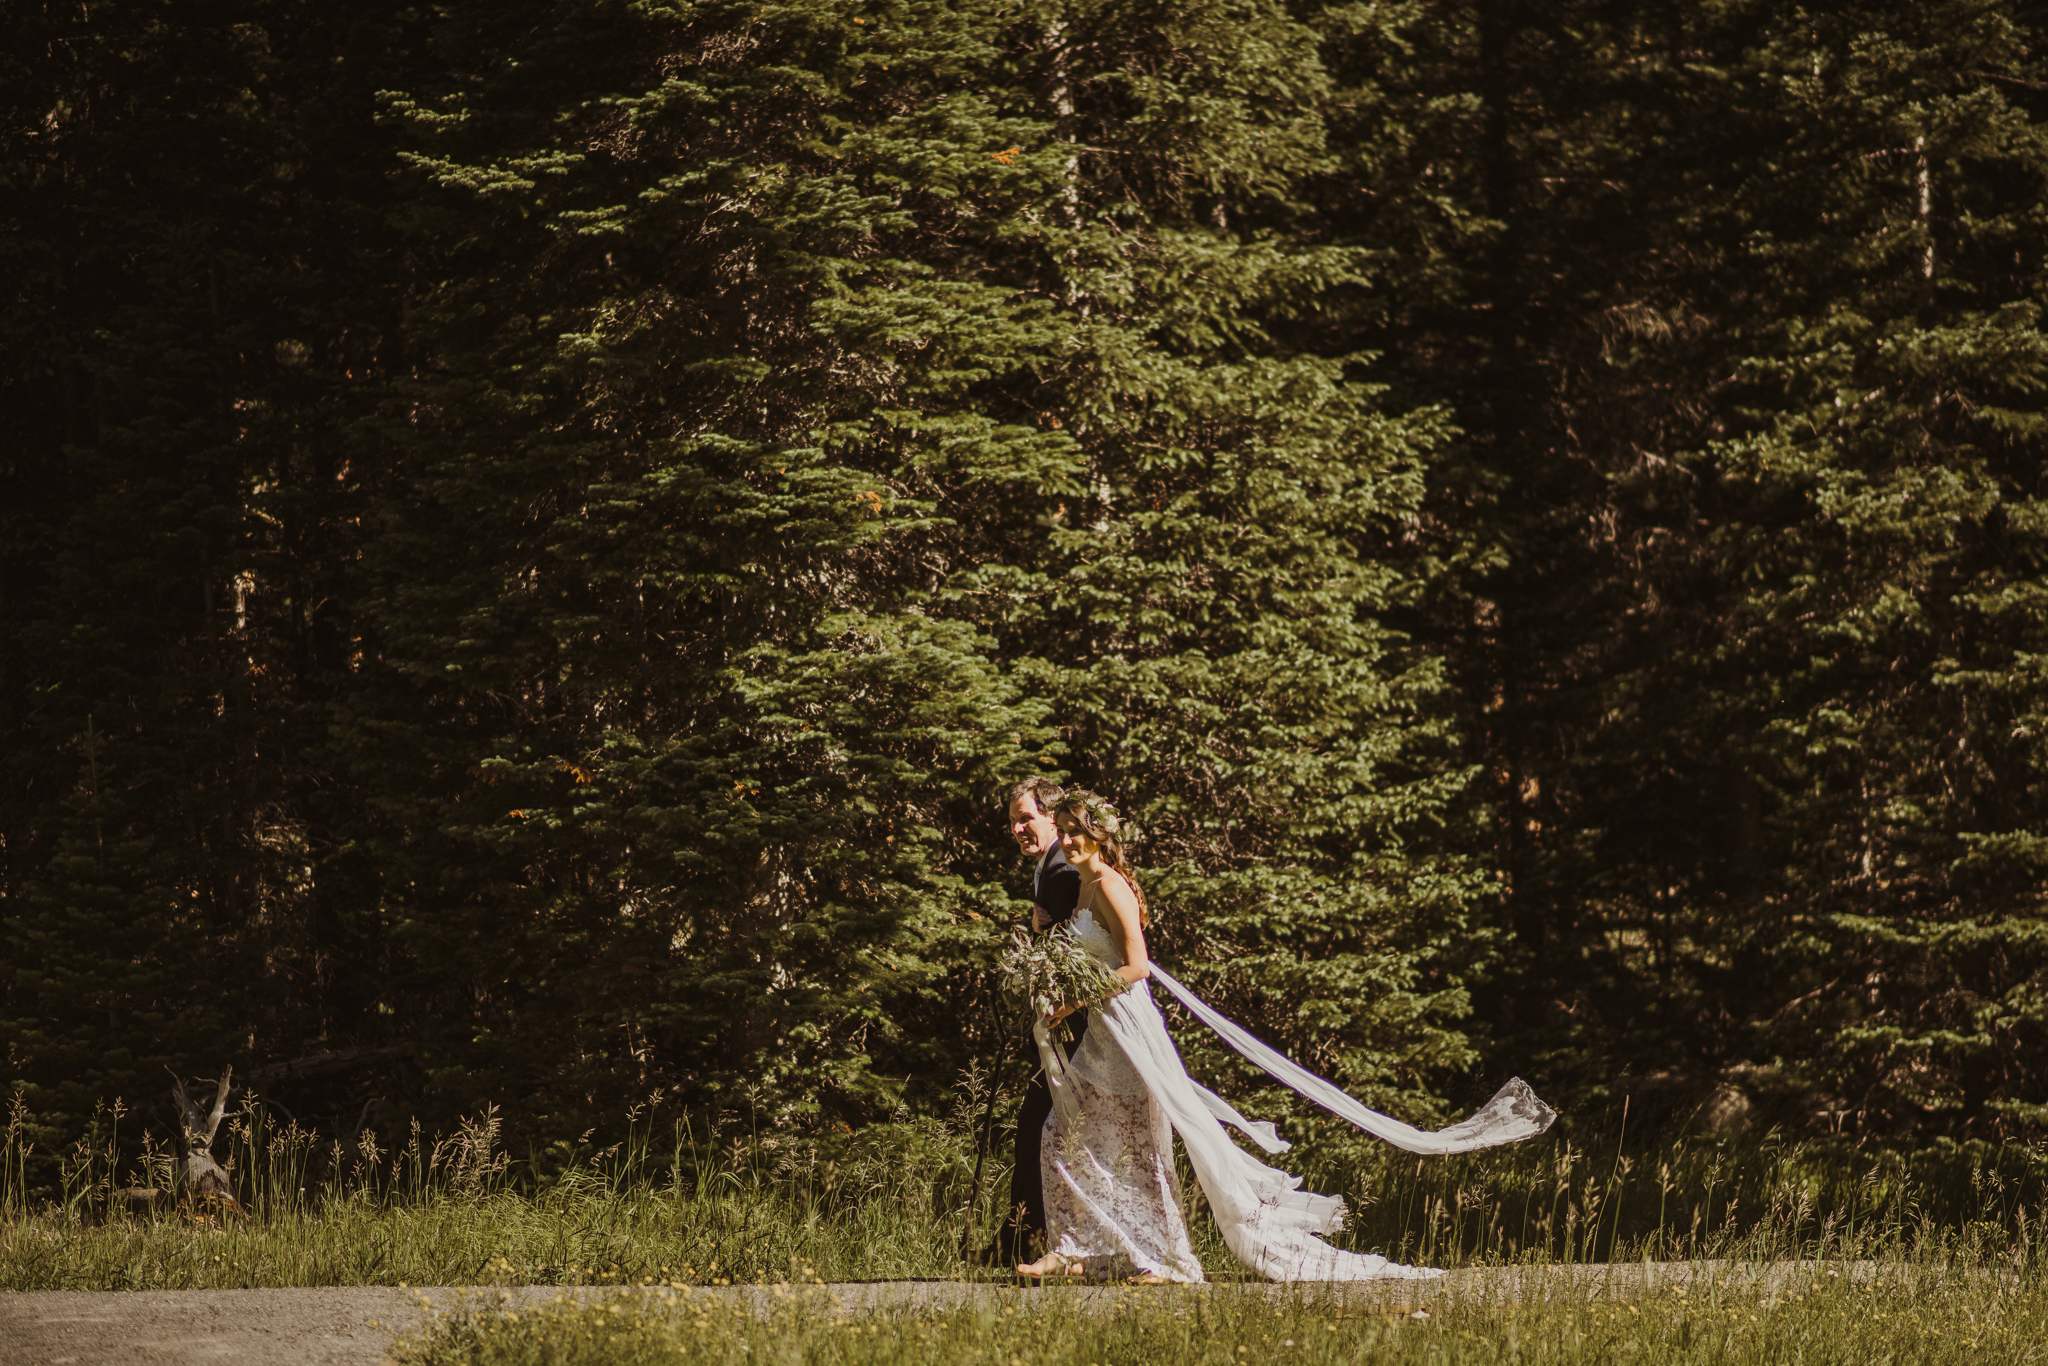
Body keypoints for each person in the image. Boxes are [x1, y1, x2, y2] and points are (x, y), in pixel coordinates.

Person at [1016, 788, 1557, 1284]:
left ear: (1100, 834)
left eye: (1075, 830)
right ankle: (1089, 1249)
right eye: (1062, 830)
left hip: (1128, 1026)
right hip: (1105, 1030)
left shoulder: (1110, 884)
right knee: (1073, 1134)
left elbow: (1138, 966)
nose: (1066, 840)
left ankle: (1166, 1259)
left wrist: (1077, 998)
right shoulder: (1084, 884)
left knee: (1131, 1141)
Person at [965, 776, 1082, 1266]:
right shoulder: (1048, 867)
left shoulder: (1064, 873)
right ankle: (1022, 1237)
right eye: (1013, 821)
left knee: (1039, 1124)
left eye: (1025, 818)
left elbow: (1084, 948)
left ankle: (1029, 1239)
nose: (1017, 828)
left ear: (1052, 817)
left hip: (1079, 1024)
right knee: (1036, 1124)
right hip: (1059, 1019)